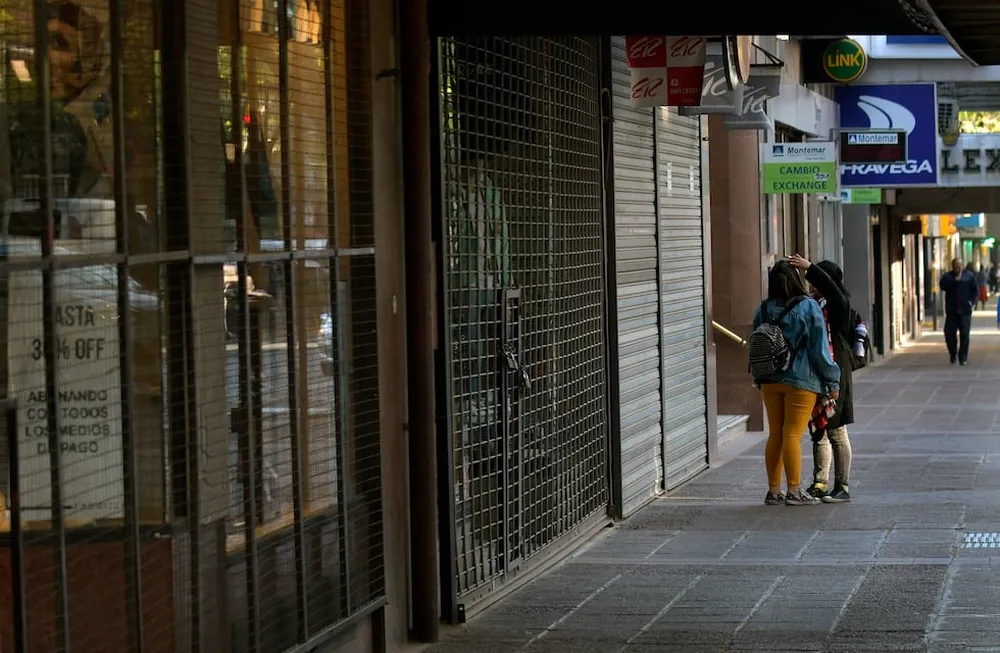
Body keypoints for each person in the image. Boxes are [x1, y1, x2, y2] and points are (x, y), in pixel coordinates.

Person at [752, 261, 841, 507]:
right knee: (792, 434)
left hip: (769, 379)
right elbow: (819, 350)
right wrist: (832, 379)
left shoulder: (763, 308)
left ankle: (773, 490)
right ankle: (794, 490)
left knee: (775, 434)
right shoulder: (808, 307)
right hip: (801, 380)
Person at [789, 255, 855, 504]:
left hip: (836, 375)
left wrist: (811, 268)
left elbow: (834, 292)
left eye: (815, 281)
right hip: (815, 373)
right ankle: (820, 482)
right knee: (818, 430)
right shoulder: (812, 304)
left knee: (837, 431)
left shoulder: (840, 305)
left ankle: (843, 486)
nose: (812, 286)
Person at [940, 257, 979, 365]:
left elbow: (975, 291)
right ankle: (953, 352)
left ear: (962, 266)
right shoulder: (947, 277)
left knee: (965, 335)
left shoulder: (969, 276)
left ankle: (963, 357)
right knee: (949, 333)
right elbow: (942, 286)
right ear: (952, 266)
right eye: (955, 267)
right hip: (952, 311)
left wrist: (971, 302)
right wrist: (954, 281)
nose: (957, 269)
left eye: (959, 266)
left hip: (965, 311)